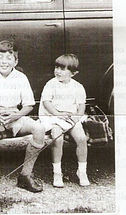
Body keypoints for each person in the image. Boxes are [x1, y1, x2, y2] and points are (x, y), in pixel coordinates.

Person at [0, 40, 45, 196]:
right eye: (0, 57)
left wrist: (15, 116)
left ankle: (25, 176)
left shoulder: (21, 77)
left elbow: (29, 105)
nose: (4, 61)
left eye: (9, 58)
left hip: (14, 114)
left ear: (16, 61)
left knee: (39, 129)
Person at [39, 54, 90, 188]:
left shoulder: (78, 87)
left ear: (73, 73)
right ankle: (57, 172)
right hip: (53, 117)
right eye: (56, 67)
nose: (58, 71)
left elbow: (81, 106)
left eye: (62, 69)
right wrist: (58, 114)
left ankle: (82, 171)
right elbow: (46, 103)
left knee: (82, 138)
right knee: (57, 138)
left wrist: (76, 118)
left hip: (70, 118)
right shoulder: (51, 84)